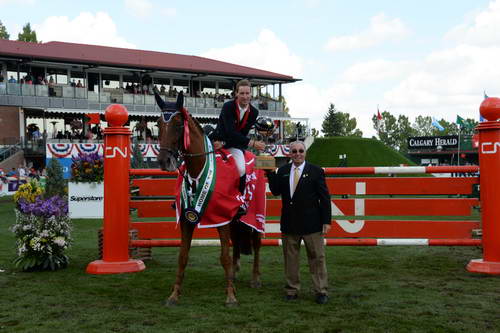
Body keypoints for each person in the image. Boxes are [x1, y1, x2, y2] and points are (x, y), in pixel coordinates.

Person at [266, 140, 332, 304]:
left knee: (317, 258)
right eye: (294, 151)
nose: (297, 154)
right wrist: (269, 171)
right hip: (290, 223)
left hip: (313, 224)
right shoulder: (283, 171)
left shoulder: (316, 171)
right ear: (289, 153)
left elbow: (324, 198)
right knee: (291, 260)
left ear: (305, 153)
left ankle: (321, 291)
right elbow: (275, 191)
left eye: (300, 151)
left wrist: (326, 221)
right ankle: (291, 290)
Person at [209, 79, 266, 197]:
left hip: (233, 145)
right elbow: (230, 131)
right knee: (192, 159)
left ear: (251, 94)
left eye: (247, 93)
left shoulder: (254, 112)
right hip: (216, 140)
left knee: (241, 168)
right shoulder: (228, 106)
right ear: (236, 94)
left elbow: (242, 134)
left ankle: (239, 199)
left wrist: (224, 144)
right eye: (242, 93)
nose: (245, 97)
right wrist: (253, 143)